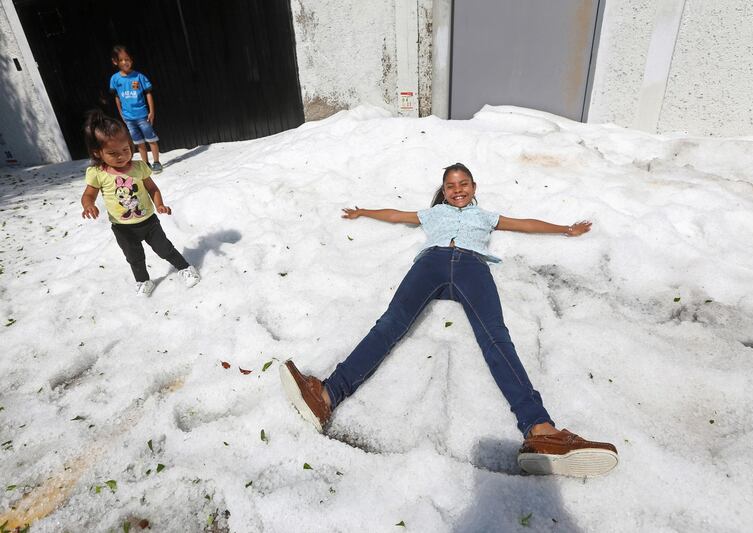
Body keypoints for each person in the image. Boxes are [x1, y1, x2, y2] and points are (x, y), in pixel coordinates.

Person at [280, 162, 618, 477]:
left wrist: (565, 229)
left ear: (473, 187)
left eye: (463, 183)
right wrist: (364, 211)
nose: (457, 189)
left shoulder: (485, 216)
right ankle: (325, 396)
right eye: (450, 185)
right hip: (431, 264)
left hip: (473, 268)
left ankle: (541, 430)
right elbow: (398, 216)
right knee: (390, 324)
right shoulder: (433, 214)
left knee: (496, 337)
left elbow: (524, 223)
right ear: (443, 191)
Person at [80, 110, 200, 296]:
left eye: (126, 149)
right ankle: (143, 281)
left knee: (164, 249)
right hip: (122, 227)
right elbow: (88, 194)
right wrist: (89, 205)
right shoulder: (97, 173)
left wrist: (159, 204)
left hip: (149, 222)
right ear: (98, 153)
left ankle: (184, 267)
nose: (121, 156)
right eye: (112, 153)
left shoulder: (138, 167)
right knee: (134, 257)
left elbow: (152, 189)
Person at [109, 45, 162, 173]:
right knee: (139, 142)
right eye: (121, 60)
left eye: (127, 59)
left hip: (143, 115)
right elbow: (117, 97)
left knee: (151, 139)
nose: (124, 62)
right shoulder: (115, 79)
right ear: (115, 62)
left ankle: (156, 162)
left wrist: (152, 112)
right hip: (129, 118)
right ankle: (145, 164)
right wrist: (121, 113)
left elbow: (148, 93)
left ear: (131, 60)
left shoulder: (139, 77)